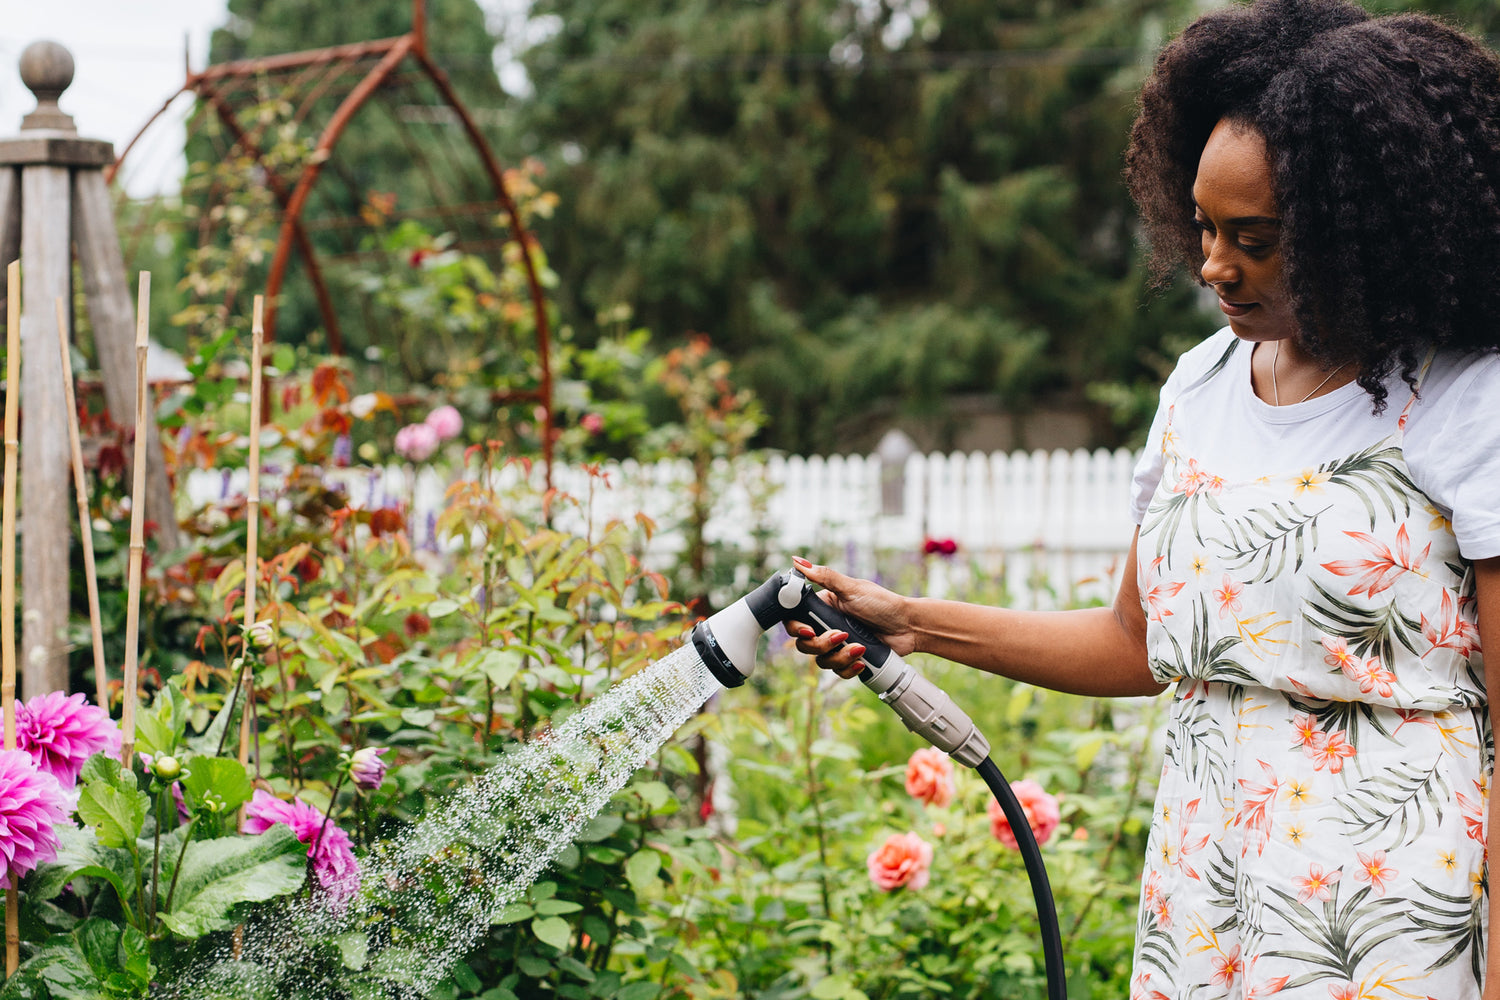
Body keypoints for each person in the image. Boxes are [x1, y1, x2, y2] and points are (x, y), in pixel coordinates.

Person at [790, 0, 1500, 996]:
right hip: (1205, 901)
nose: (1214, 265)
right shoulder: (1201, 390)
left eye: (1254, 238)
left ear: (1358, 228)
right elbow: (1138, 643)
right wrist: (912, 621)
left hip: (1390, 916)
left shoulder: (1469, 397)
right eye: (1204, 226)